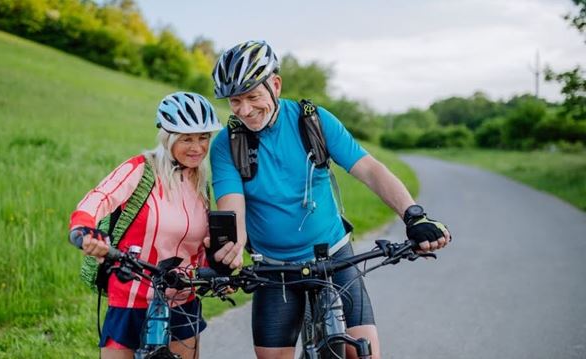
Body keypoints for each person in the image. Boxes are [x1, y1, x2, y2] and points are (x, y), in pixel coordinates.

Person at [208, 40, 451, 359]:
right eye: (235, 101)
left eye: (253, 97)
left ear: (276, 85)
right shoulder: (227, 145)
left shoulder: (314, 122)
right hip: (273, 268)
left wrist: (413, 215)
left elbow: (370, 170)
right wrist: (230, 251)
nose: (244, 110)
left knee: (363, 354)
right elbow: (232, 209)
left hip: (334, 258)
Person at [68, 92, 222, 359]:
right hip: (131, 297)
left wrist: (215, 269)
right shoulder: (141, 169)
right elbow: (99, 198)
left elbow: (199, 244)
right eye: (187, 138)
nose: (197, 147)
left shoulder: (200, 185)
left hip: (182, 298)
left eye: (203, 137)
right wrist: (84, 229)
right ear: (168, 137)